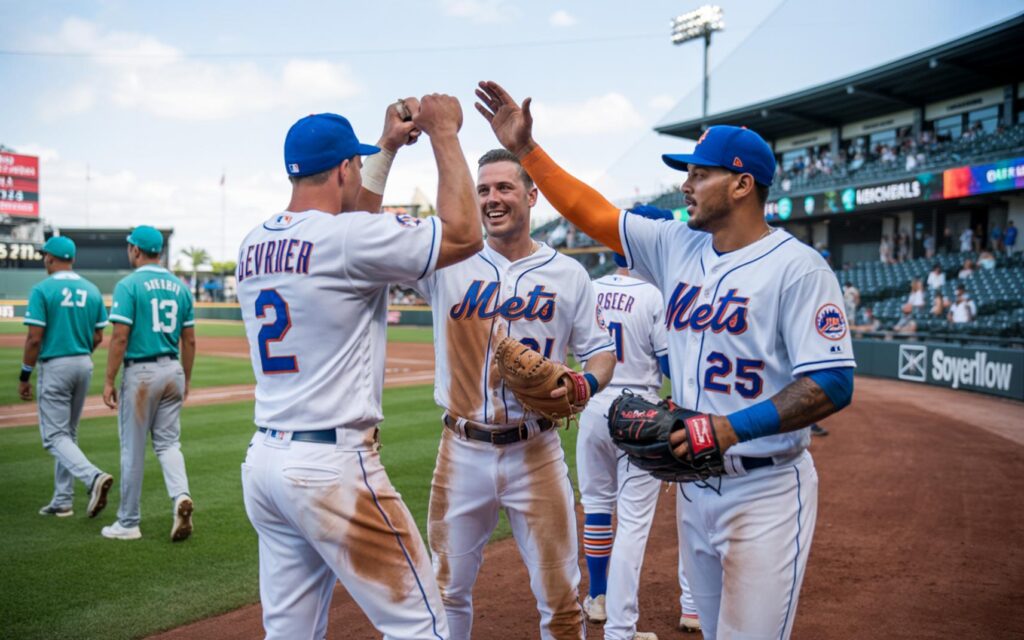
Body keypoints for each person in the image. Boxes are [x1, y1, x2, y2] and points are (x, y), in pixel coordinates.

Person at [476, 81, 855, 640]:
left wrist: (728, 427)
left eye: (700, 174)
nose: (686, 185)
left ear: (743, 185)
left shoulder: (797, 268)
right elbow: (591, 211)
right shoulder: (677, 245)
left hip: (765, 487)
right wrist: (527, 150)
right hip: (695, 482)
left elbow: (833, 382)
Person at [236, 97, 482, 640]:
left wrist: (388, 147)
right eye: (358, 163)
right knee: (422, 627)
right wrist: (444, 134)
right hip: (331, 467)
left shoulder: (252, 244)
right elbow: (465, 234)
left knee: (290, 633)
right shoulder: (346, 239)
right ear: (345, 168)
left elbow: (351, 227)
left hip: (266, 464)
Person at [395, 148, 616, 640]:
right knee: (447, 590)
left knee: (561, 599)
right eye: (483, 191)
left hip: (536, 450)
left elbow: (601, 350)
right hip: (461, 449)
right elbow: (373, 231)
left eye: (504, 188)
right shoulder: (446, 262)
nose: (492, 199)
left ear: (532, 195)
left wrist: (585, 382)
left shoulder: (568, 274)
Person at [576, 249, 700, 639]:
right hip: (639, 412)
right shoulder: (654, 295)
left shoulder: (588, 288)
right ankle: (620, 623)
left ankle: (597, 596)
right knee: (633, 521)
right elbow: (667, 367)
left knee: (596, 504)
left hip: (594, 406)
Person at [100, 226, 196, 542]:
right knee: (169, 444)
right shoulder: (180, 287)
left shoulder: (129, 285)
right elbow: (190, 340)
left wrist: (108, 379)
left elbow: (120, 336)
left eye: (130, 247)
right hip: (173, 371)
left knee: (133, 448)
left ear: (137, 250)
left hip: (141, 374)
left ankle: (128, 521)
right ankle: (181, 495)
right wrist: (187, 377)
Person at [21, 236, 113, 519]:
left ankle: (93, 477)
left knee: (53, 437)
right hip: (83, 363)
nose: (44, 260)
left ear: (50, 258)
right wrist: (82, 353)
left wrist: (25, 374)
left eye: (44, 256)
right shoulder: (91, 289)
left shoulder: (43, 289)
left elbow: (34, 339)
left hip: (56, 365)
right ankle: (62, 499)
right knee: (68, 434)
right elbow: (99, 335)